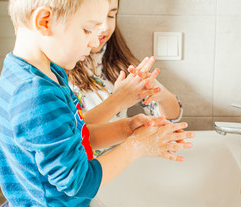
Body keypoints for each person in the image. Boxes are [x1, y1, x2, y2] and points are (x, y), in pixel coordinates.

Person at [0, 0, 194, 207]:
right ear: (44, 21)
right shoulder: (35, 94)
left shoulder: (43, 73)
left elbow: (75, 135)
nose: (93, 40)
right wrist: (136, 147)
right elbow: (79, 181)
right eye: (87, 30)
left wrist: (126, 128)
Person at [67, 0, 183, 136]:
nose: (104, 27)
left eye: (111, 15)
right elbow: (68, 136)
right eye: (96, 16)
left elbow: (171, 117)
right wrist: (117, 101)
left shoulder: (119, 64)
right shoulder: (58, 69)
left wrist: (159, 92)